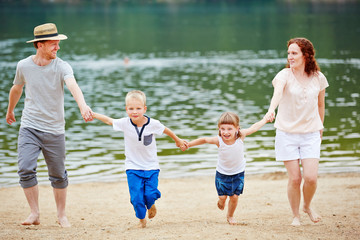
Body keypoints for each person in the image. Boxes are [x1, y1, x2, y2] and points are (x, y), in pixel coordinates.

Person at [6, 23, 93, 228]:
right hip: (29, 126)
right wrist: (10, 110)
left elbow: (73, 86)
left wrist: (83, 106)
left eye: (58, 44)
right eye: (53, 44)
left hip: (54, 129)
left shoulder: (62, 66)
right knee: (25, 168)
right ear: (40, 45)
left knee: (58, 174)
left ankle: (61, 215)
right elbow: (16, 88)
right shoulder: (23, 65)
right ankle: (34, 213)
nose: (58, 48)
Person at [92, 90, 188, 228]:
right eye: (131, 108)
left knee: (150, 194)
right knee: (136, 198)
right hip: (132, 167)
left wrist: (177, 141)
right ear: (126, 109)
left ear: (144, 109)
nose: (134, 111)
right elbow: (108, 120)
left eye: (138, 108)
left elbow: (166, 130)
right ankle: (142, 220)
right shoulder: (124, 123)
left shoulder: (153, 123)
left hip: (151, 167)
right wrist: (93, 114)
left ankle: (151, 204)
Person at [265, 37, 329, 226]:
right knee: (295, 178)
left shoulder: (318, 77)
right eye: (289, 53)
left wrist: (320, 128)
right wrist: (271, 110)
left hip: (311, 133)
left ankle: (307, 206)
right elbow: (277, 94)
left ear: (306, 55)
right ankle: (295, 216)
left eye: (294, 53)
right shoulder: (283, 75)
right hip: (286, 133)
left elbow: (320, 105)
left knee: (310, 178)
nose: (290, 57)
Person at [186, 112, 268, 225]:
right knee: (223, 197)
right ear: (219, 129)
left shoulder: (241, 136)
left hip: (238, 173)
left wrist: (265, 119)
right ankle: (221, 201)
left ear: (237, 129)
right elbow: (204, 140)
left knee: (234, 197)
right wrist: (188, 144)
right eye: (222, 129)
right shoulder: (218, 140)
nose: (226, 132)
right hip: (222, 174)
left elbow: (254, 128)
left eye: (230, 129)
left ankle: (230, 216)